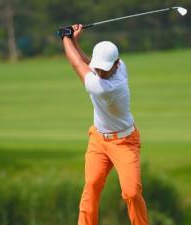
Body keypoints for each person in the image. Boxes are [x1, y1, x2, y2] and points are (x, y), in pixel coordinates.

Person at [58, 24, 149, 225]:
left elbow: (77, 64)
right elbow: (88, 63)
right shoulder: (118, 66)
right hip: (99, 140)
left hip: (125, 142)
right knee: (92, 184)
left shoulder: (105, 88)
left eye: (104, 68)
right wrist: (74, 40)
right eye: (99, 67)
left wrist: (65, 37)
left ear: (116, 64)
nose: (100, 71)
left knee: (131, 193)